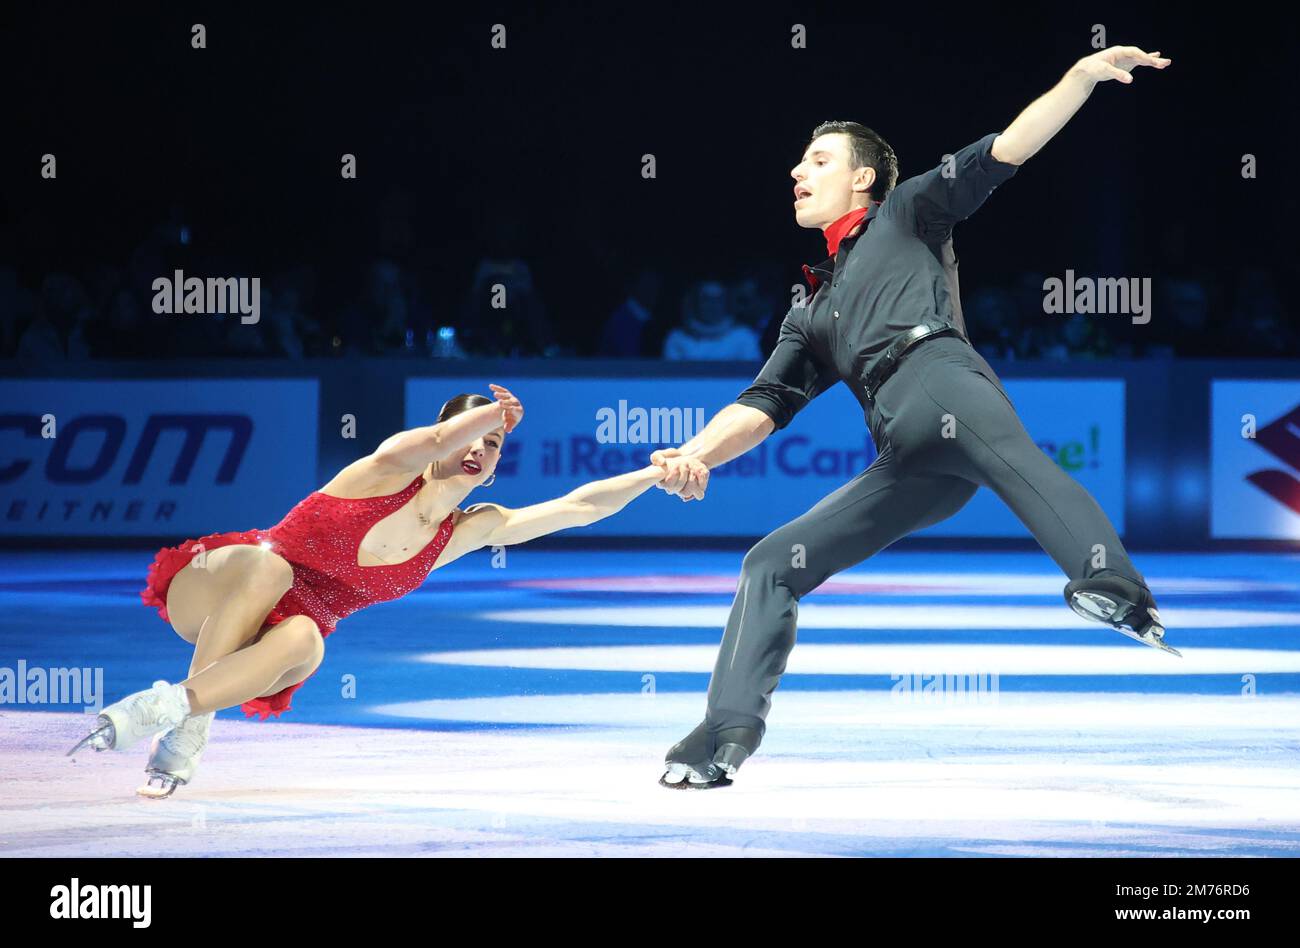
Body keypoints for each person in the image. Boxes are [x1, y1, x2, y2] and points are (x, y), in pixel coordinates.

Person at [650, 45, 1176, 789]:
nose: (797, 173)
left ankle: (1113, 585)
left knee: (1023, 467)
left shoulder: (908, 213)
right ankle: (724, 733)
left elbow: (1008, 147)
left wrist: (1081, 78)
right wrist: (695, 451)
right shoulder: (811, 308)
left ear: (862, 177)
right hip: (908, 453)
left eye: (818, 161)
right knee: (771, 564)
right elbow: (762, 405)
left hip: (940, 380)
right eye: (799, 164)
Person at [69, 385, 667, 797]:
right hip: (215, 586)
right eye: (474, 436)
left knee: (309, 637)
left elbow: (578, 507)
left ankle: (173, 707)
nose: (479, 450)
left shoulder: (464, 531)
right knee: (272, 569)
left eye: (493, 448)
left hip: (268, 645)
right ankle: (187, 736)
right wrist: (492, 416)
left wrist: (657, 473)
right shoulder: (383, 473)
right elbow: (433, 445)